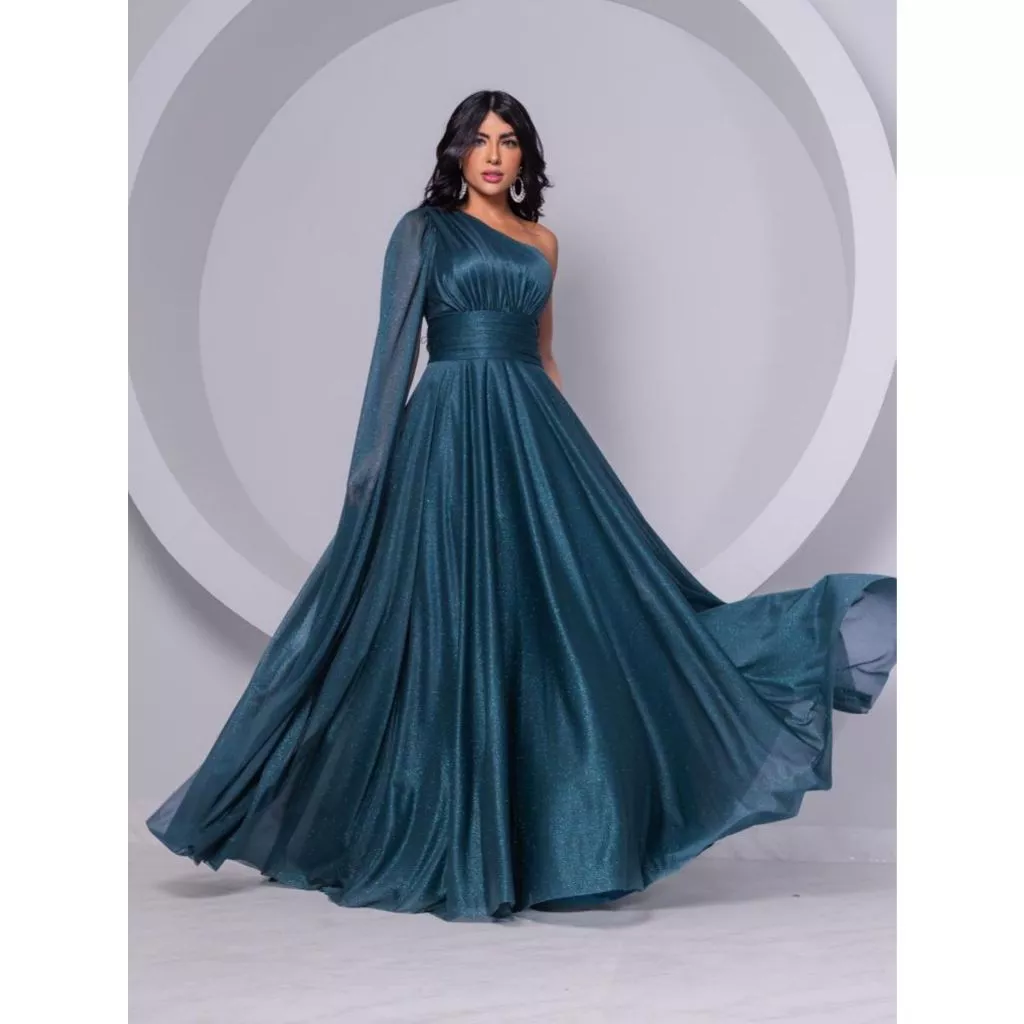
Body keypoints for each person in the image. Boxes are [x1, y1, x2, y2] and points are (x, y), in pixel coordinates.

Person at [147, 90, 896, 922]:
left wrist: (567, 460)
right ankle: (425, 828)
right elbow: (391, 355)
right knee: (440, 623)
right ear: (457, 152)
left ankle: (558, 840)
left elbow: (544, 354)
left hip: (533, 431)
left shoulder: (543, 242)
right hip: (445, 433)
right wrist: (371, 473)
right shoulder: (423, 231)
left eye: (509, 141)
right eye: (480, 140)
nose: (495, 155)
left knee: (581, 617)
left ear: (525, 156)